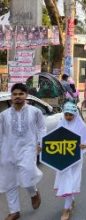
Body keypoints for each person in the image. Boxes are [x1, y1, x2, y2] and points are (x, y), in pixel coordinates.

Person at [0, 83, 45, 220]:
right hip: (8, 150)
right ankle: (14, 211)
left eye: (20, 94)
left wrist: (40, 143)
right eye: (15, 94)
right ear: (11, 96)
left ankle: (34, 193)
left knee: (27, 174)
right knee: (9, 180)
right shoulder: (3, 115)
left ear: (26, 96)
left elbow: (42, 128)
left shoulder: (35, 112)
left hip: (28, 148)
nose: (17, 97)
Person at [53, 102, 86, 220]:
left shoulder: (81, 126)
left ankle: (66, 209)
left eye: (71, 115)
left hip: (76, 159)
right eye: (66, 115)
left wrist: (85, 145)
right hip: (63, 158)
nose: (69, 117)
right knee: (65, 180)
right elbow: (53, 139)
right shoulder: (61, 124)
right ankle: (70, 201)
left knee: (71, 181)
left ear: (75, 114)